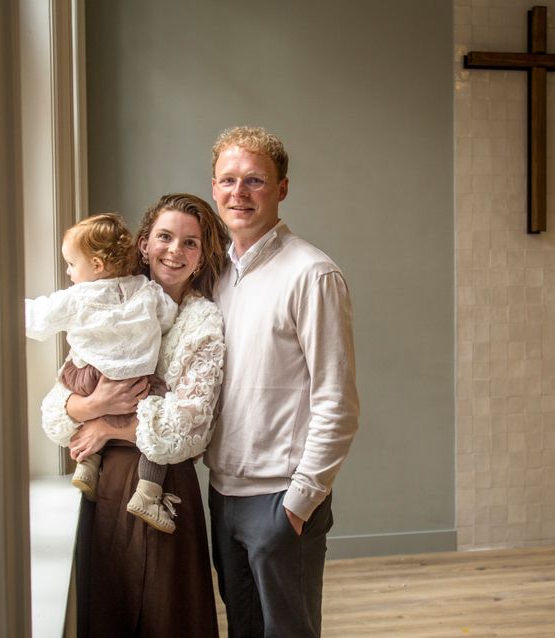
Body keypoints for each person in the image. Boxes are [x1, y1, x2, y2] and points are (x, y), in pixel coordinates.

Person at [39, 194, 229, 637]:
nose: (174, 251)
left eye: (190, 243)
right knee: (109, 614)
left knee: (167, 618)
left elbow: (188, 430)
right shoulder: (105, 303)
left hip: (162, 488)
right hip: (103, 484)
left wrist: (106, 426)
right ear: (144, 244)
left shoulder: (202, 322)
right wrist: (93, 405)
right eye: (165, 237)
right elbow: (54, 411)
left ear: (202, 258)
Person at [205, 126, 360, 638]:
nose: (239, 193)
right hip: (222, 494)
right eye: (228, 180)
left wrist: (298, 504)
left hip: (280, 500)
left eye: (255, 180)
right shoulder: (215, 276)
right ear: (213, 188)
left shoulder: (312, 274)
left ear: (282, 188)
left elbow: (337, 402)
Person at [26, 213, 181, 534]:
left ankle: (87, 463)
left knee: (70, 373)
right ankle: (149, 493)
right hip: (141, 384)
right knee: (154, 432)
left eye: (71, 264)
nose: (68, 272)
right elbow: (168, 318)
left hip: (91, 380)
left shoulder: (77, 297)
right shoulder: (147, 290)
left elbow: (37, 321)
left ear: (96, 265)